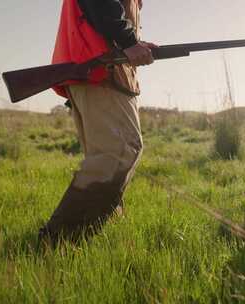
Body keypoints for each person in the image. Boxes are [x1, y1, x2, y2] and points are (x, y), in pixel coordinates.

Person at [38, 0, 156, 242]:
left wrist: (133, 41)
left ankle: (101, 225)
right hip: (99, 68)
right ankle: (60, 238)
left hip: (102, 69)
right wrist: (130, 41)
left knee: (113, 152)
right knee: (117, 151)